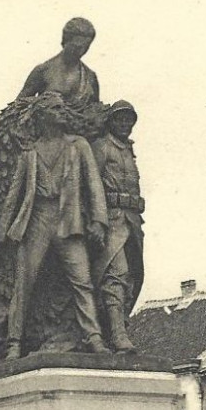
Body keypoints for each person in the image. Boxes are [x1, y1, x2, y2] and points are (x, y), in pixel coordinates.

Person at [0, 94, 111, 358]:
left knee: (82, 281)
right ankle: (14, 343)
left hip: (69, 219)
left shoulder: (78, 146)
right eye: (56, 109)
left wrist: (100, 220)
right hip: (37, 219)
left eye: (62, 107)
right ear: (43, 115)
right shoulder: (29, 153)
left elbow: (94, 185)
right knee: (24, 283)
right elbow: (12, 199)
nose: (62, 112)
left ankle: (94, 337)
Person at [90, 101, 145, 352]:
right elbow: (91, 187)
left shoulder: (128, 151)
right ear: (110, 122)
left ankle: (118, 327)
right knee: (116, 274)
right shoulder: (102, 147)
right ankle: (117, 335)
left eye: (128, 120)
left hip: (133, 220)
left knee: (133, 276)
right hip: (111, 220)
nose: (124, 125)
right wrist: (98, 221)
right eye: (119, 119)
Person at [17, 17, 100, 105]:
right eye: (76, 47)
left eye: (86, 47)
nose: (81, 51)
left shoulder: (90, 77)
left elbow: (96, 112)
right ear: (65, 41)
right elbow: (16, 108)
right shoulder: (43, 71)